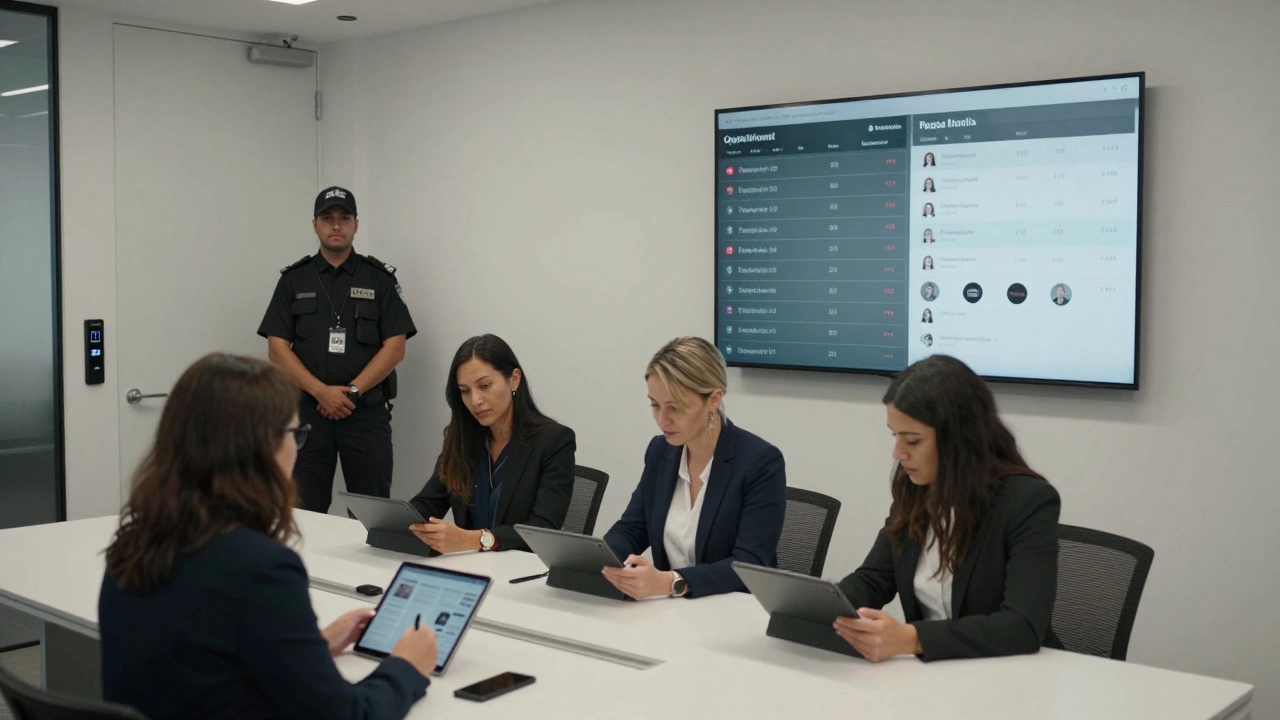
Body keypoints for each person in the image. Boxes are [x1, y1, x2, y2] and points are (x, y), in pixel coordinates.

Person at [99, 354, 438, 720]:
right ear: (262, 447)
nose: (298, 447)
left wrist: (314, 648)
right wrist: (406, 666)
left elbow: (207, 661)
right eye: (297, 433)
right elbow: (349, 716)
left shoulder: (135, 543)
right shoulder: (260, 568)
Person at [832, 355, 1060, 663]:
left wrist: (913, 639)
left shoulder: (1027, 501)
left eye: (912, 440)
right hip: (938, 676)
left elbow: (1022, 626)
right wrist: (826, 607)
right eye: (895, 435)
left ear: (959, 441)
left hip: (1013, 675)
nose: (898, 453)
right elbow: (874, 579)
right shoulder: (913, 490)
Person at [258, 186, 417, 513]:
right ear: (314, 224)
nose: (336, 225)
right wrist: (321, 392)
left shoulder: (379, 280)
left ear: (356, 225)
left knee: (370, 512)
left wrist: (353, 392)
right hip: (308, 414)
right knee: (303, 510)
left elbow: (395, 347)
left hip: (366, 414)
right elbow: (277, 349)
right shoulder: (293, 280)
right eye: (327, 218)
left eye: (344, 218)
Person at [602, 337, 786, 600]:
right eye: (655, 405)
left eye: (675, 407)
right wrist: (598, 558)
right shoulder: (660, 452)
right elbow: (632, 528)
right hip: (668, 614)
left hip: (731, 612)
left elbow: (750, 564)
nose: (662, 420)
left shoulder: (760, 462)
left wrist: (671, 582)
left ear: (713, 399)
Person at [409, 335, 576, 553]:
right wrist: (398, 520)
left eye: (485, 386)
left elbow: (544, 528)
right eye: (465, 391)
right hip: (468, 568)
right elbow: (427, 505)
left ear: (514, 379)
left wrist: (478, 540)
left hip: (520, 572)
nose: (475, 400)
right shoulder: (462, 440)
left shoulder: (554, 440)